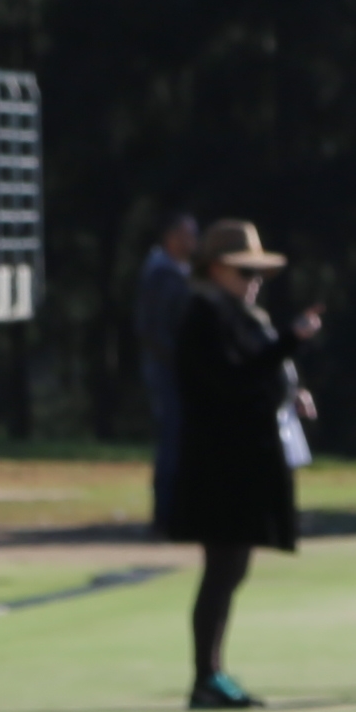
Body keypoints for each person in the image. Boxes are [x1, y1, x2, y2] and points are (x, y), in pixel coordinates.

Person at [156, 219, 302, 707]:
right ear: (215, 269)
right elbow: (229, 380)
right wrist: (289, 343)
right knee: (221, 570)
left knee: (231, 570)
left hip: (240, 462)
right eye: (244, 271)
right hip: (218, 465)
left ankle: (212, 674)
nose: (254, 281)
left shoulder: (236, 314)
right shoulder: (202, 314)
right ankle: (206, 677)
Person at [130, 207, 204, 499]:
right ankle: (166, 513)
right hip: (167, 371)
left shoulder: (180, 273)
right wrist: (182, 360)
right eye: (188, 235)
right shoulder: (161, 275)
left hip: (176, 369)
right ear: (171, 237)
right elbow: (152, 329)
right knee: (172, 440)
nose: (193, 241)